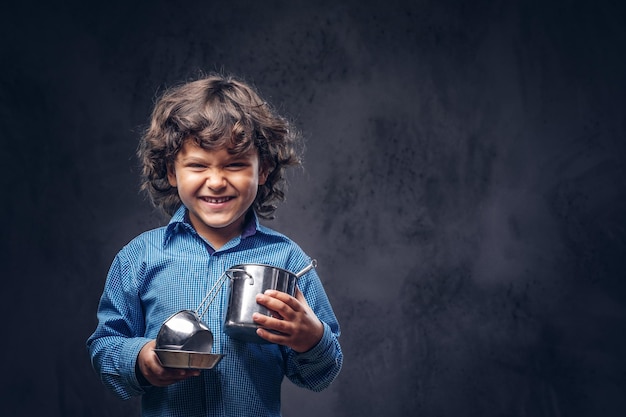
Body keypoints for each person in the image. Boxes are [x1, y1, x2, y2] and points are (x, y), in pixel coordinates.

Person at [86, 73, 343, 417]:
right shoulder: (139, 258)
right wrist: (142, 360)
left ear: (263, 169)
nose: (217, 181)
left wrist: (311, 339)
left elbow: (321, 376)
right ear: (172, 172)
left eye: (235, 165)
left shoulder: (288, 261)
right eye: (197, 165)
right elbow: (105, 348)